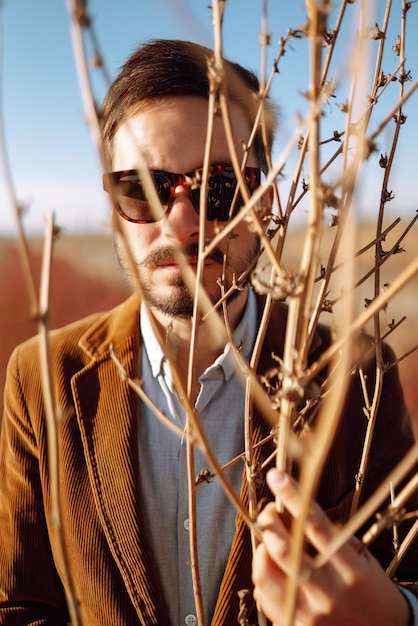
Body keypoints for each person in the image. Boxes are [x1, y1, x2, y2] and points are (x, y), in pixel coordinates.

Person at [0, 38, 417, 626]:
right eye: (142, 189)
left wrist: (396, 615)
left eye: (219, 187)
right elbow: (19, 604)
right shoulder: (42, 374)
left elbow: (410, 570)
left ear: (266, 205)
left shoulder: (354, 370)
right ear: (114, 213)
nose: (183, 221)